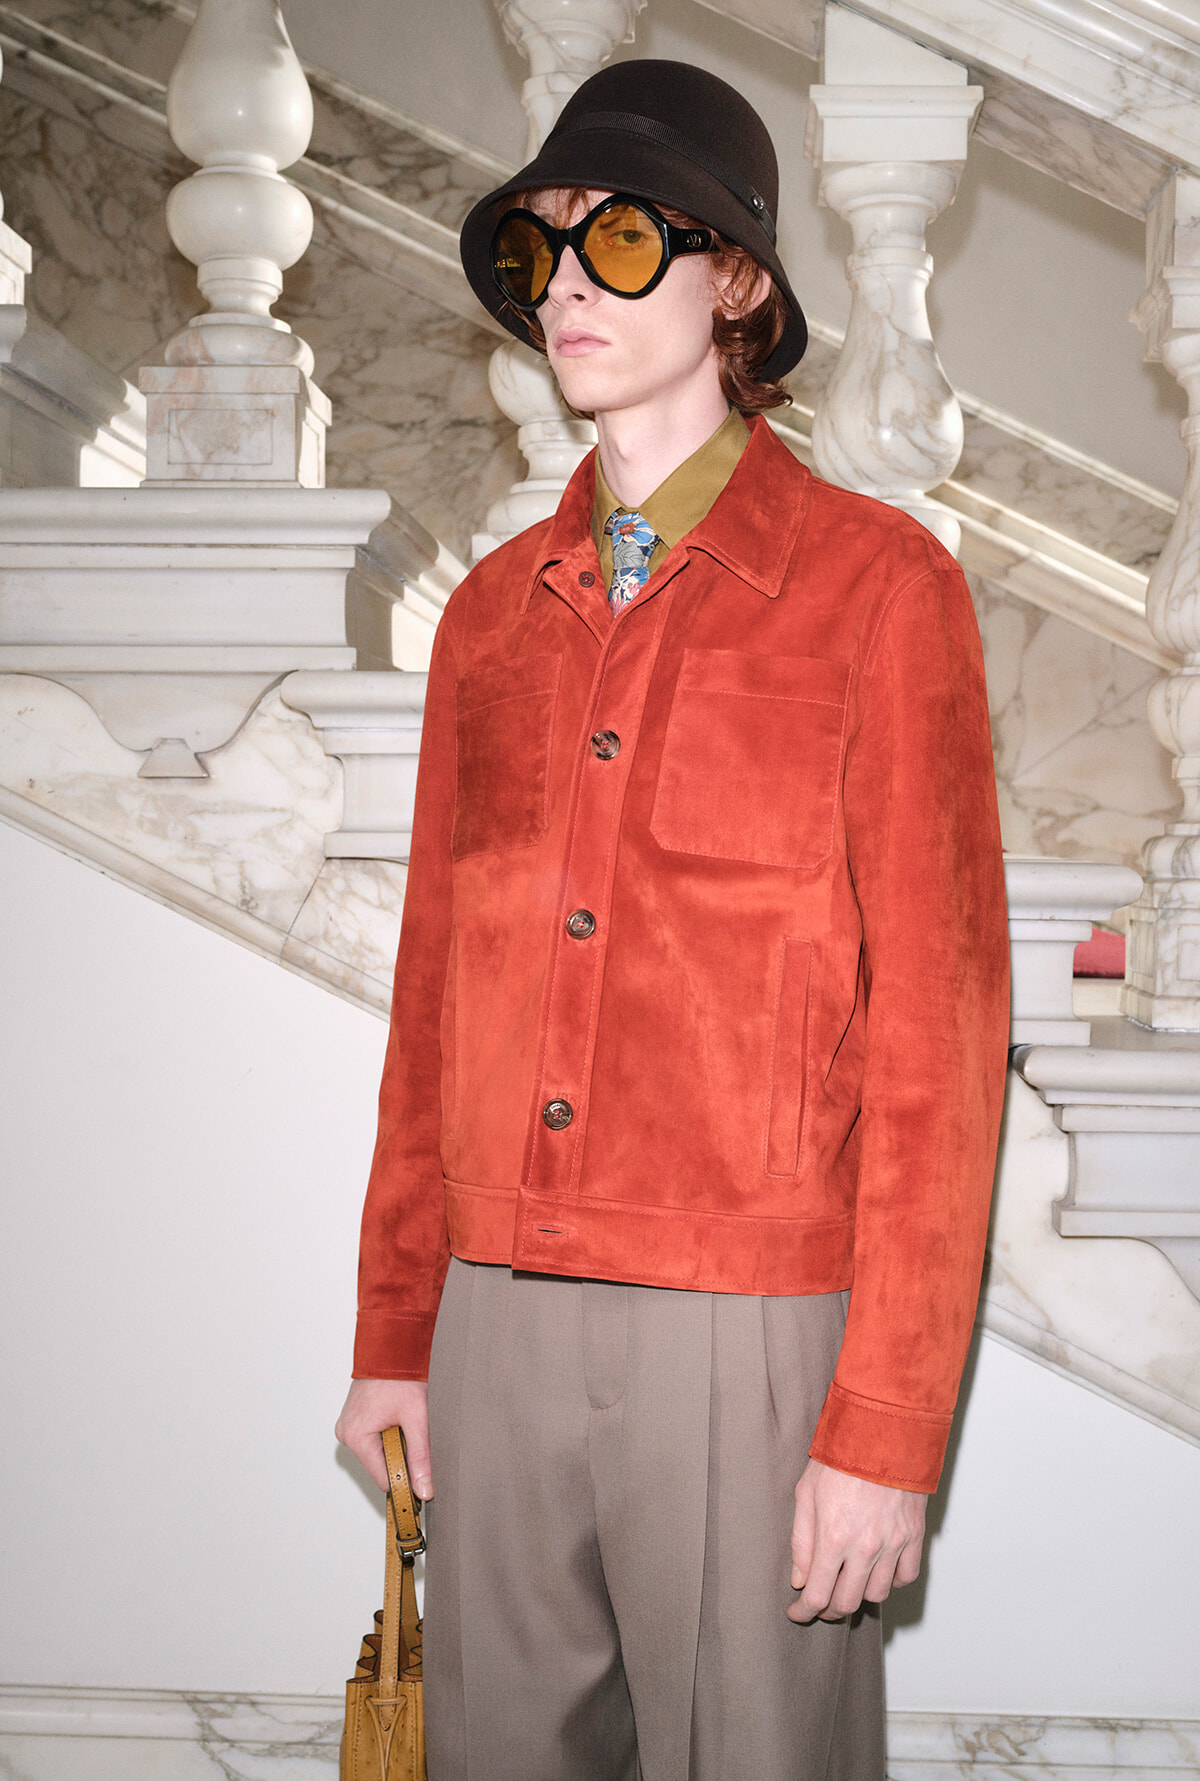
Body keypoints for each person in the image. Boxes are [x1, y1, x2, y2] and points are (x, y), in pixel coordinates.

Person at [336, 57, 1009, 1781]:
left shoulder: (879, 591)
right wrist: (396, 1338)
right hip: (493, 1314)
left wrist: (883, 1423)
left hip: (749, 1328)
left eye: (621, 238)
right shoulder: (489, 621)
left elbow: (940, 1037)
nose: (569, 281)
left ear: (741, 284)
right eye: (546, 247)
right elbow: (435, 1004)